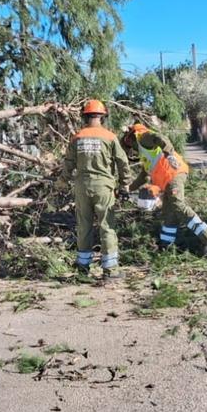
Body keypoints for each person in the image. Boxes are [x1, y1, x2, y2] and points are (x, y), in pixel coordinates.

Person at [122, 122, 207, 256]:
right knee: (169, 214)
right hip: (168, 180)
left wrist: (169, 154)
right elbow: (143, 176)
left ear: (131, 137)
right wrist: (128, 189)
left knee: (178, 204)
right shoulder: (144, 151)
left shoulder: (143, 137)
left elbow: (160, 137)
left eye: (128, 144)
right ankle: (166, 247)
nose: (130, 149)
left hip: (173, 174)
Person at [63, 99, 132, 278]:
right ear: (102, 117)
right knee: (107, 226)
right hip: (103, 187)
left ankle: (82, 268)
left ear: (85, 117)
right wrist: (124, 184)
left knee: (84, 226)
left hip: (82, 187)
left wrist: (61, 183)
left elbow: (68, 163)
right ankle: (110, 270)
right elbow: (122, 162)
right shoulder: (109, 137)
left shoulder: (77, 137)